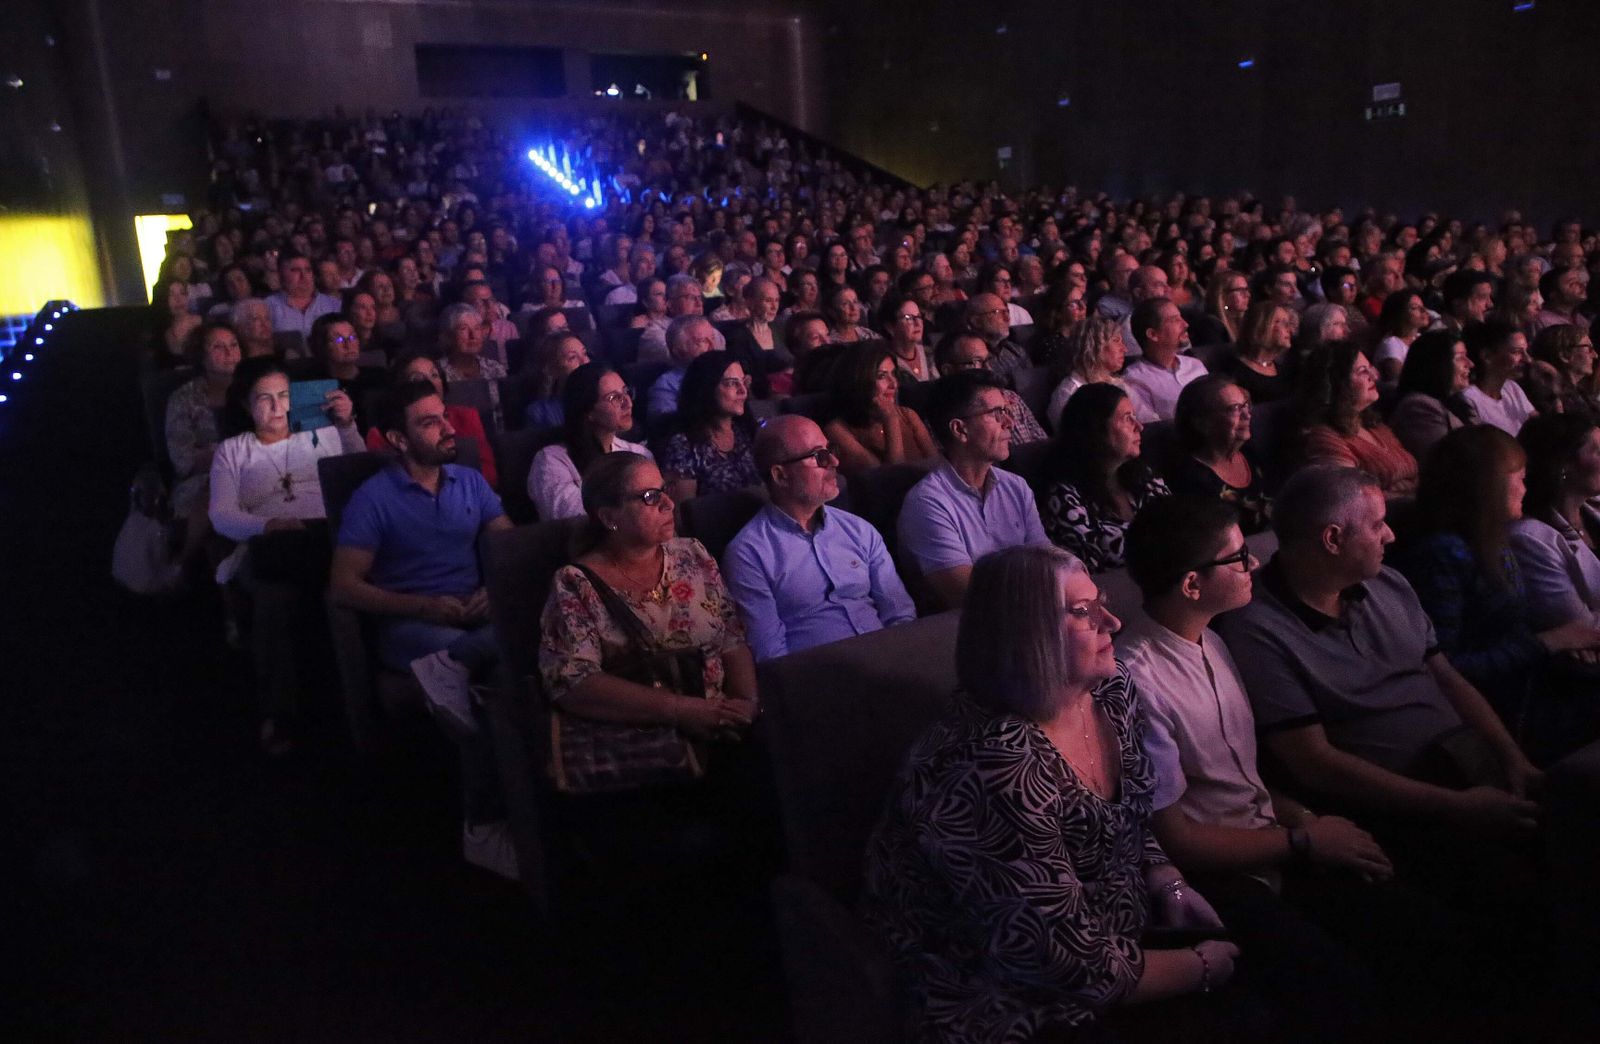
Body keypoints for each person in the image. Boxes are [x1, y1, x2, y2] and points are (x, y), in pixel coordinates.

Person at [865, 545, 1241, 1043]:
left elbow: (1130, 816)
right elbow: (1059, 961)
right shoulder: (990, 766)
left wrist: (1166, 879)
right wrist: (1201, 967)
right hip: (1008, 995)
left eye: (1101, 602)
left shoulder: (1110, 689)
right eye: (1084, 611)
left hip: (1117, 933)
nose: (1113, 622)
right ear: (1025, 634)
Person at [1119, 497, 1388, 1041]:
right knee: (1346, 993)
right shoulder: (1136, 679)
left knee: (1406, 916)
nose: (1255, 564)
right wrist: (1304, 842)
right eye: (1238, 558)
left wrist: (1304, 819)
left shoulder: (1213, 637)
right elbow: (1178, 840)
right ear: (1192, 584)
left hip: (1272, 838)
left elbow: (1242, 778)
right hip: (1219, 877)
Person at [1212, 465, 1544, 848]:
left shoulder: (1388, 582)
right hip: (1402, 804)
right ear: (1333, 539)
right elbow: (1313, 762)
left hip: (1467, 758)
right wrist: (1457, 807)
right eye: (1377, 525)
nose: (1391, 534)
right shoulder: (1256, 628)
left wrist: (1513, 758)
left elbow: (1448, 679)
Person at [329, 381, 517, 879]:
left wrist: (493, 589)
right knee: (485, 682)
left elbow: (510, 550)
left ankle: (452, 670)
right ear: (398, 438)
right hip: (413, 625)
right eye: (429, 422)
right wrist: (423, 607)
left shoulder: (469, 482)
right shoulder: (374, 498)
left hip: (474, 613)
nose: (447, 427)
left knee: (522, 642)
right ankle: (483, 826)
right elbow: (343, 586)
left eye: (443, 416)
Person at [538, 451, 759, 787]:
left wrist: (745, 704)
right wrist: (683, 710)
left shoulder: (692, 554)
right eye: (650, 497)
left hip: (724, 728)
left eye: (664, 490)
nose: (669, 503)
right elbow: (574, 683)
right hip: (646, 750)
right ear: (609, 517)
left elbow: (731, 635)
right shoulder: (576, 583)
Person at [1397, 426, 1600, 763]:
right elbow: (1445, 668)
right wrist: (1548, 642)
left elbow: (1513, 629)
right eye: (1518, 478)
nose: (1525, 487)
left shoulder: (1493, 540)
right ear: (1486, 487)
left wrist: (1563, 644)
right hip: (1507, 711)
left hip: (1534, 682)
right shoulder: (1442, 553)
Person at [208, 357, 363, 753]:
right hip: (270, 544)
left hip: (325, 536)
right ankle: (282, 713)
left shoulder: (322, 434)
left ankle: (356, 703)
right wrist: (268, 525)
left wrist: (347, 425)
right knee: (276, 594)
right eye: (265, 399)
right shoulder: (233, 450)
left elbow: (361, 472)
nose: (278, 408)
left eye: (283, 395)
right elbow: (221, 515)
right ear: (246, 405)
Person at [723, 415, 915, 661]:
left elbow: (900, 613)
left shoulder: (859, 530)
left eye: (830, 450)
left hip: (889, 661)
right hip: (820, 676)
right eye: (819, 456)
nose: (834, 461)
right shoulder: (749, 553)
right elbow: (771, 655)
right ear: (781, 475)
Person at [897, 371, 1049, 610]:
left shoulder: (1016, 487)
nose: (1009, 423)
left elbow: (1046, 561)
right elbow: (969, 595)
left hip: (1031, 608)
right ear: (960, 430)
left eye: (1007, 411)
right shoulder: (926, 503)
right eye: (997, 414)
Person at [1040, 382, 1171, 572]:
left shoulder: (1143, 475)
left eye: (1135, 417)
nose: (1139, 426)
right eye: (1127, 419)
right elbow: (1100, 560)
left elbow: (1177, 523)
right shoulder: (1063, 495)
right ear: (1096, 429)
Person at [528, 363, 651, 521]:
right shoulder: (551, 461)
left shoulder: (639, 453)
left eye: (626, 392)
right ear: (588, 411)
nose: (628, 403)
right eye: (614, 398)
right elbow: (577, 520)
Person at [1296, 341, 1418, 499]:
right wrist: (1406, 492)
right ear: (1337, 383)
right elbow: (1353, 499)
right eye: (1363, 371)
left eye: (1370, 368)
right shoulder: (1324, 438)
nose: (1374, 376)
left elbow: (1416, 476)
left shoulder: (1374, 425)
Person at [165, 321, 241, 567]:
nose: (229, 353)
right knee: (218, 488)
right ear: (201, 356)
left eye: (233, 345)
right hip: (200, 480)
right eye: (218, 347)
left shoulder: (253, 390)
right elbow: (183, 460)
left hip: (251, 471)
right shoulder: (183, 398)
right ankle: (186, 564)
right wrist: (230, 455)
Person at [364, 353, 498, 488]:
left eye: (434, 375)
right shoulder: (379, 435)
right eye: (418, 378)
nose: (430, 383)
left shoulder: (466, 416)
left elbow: (488, 474)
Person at [1169, 375, 1271, 534]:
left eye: (1246, 405)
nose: (1247, 415)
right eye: (1234, 409)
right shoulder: (1191, 480)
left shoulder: (1252, 451)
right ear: (1202, 423)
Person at [822, 342, 938, 478]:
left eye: (894, 374)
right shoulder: (837, 430)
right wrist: (891, 420)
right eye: (882, 376)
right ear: (860, 381)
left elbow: (936, 465)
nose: (894, 384)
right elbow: (888, 479)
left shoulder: (908, 414)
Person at [658, 351, 760, 500]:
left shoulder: (748, 431)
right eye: (731, 383)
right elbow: (684, 510)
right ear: (707, 388)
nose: (743, 391)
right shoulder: (684, 445)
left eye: (744, 382)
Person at [933, 332, 1048, 445]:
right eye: (977, 361)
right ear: (948, 370)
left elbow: (1042, 444)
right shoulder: (942, 413)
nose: (988, 368)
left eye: (988, 360)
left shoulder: (1011, 397)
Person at [1387, 331, 1472, 461]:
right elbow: (1443, 461)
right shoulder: (1419, 407)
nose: (1470, 364)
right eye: (1460, 357)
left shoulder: (1458, 401)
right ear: (1437, 364)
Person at [1123, 298, 1206, 422]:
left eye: (1181, 317)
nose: (1185, 324)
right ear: (1153, 335)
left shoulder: (1195, 364)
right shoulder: (1135, 379)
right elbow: (1153, 428)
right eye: (1175, 320)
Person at [1044, 314, 1131, 430]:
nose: (1125, 349)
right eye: (1116, 341)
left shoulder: (1117, 383)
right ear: (1094, 346)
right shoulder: (1069, 394)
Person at [302, 313, 386, 431]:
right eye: (339, 339)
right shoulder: (313, 385)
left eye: (352, 337)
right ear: (322, 346)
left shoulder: (380, 377)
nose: (348, 344)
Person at [1457, 316, 1537, 436]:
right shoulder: (1469, 398)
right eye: (1516, 352)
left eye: (1526, 351)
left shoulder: (1512, 388)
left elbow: (1541, 428)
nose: (1528, 359)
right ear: (1487, 356)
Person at [436, 301, 508, 429]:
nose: (473, 336)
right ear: (448, 336)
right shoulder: (436, 373)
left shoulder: (495, 368)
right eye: (463, 329)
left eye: (477, 328)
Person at [1216, 302, 1294, 405]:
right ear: (1261, 326)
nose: (1290, 330)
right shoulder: (1235, 372)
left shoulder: (1286, 369)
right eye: (1282, 323)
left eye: (1288, 324)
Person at [646, 315, 718, 422]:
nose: (712, 346)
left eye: (712, 338)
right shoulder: (666, 387)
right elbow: (666, 428)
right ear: (679, 351)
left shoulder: (725, 373)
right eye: (702, 341)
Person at [521, 330, 591, 432]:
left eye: (584, 353)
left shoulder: (604, 399)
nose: (585, 361)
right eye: (572, 357)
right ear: (553, 369)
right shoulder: (540, 413)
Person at [1528, 325, 1598, 422]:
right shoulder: (1550, 401)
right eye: (1589, 349)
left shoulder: (1582, 397)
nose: (1595, 355)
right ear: (1564, 355)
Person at [265, 252, 341, 340]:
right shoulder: (268, 307)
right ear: (280, 275)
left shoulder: (333, 305)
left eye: (308, 270)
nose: (304, 276)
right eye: (296, 270)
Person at [963, 292, 1030, 381]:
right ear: (977, 321)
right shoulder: (968, 358)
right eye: (998, 312)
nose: (1007, 318)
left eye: (1007, 312)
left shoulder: (1017, 351)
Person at [1372, 290, 1432, 382]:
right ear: (1400, 314)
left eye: (1423, 306)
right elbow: (1399, 381)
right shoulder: (1391, 344)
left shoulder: (1421, 338)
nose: (1424, 310)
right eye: (1415, 307)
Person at [878, 293, 932, 383]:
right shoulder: (885, 362)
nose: (917, 323)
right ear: (890, 327)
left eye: (918, 316)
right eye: (908, 318)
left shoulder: (928, 353)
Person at [1190, 269, 1251, 348]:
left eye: (1246, 289)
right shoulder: (1210, 326)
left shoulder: (1243, 322)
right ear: (1222, 295)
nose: (1247, 295)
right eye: (1240, 290)